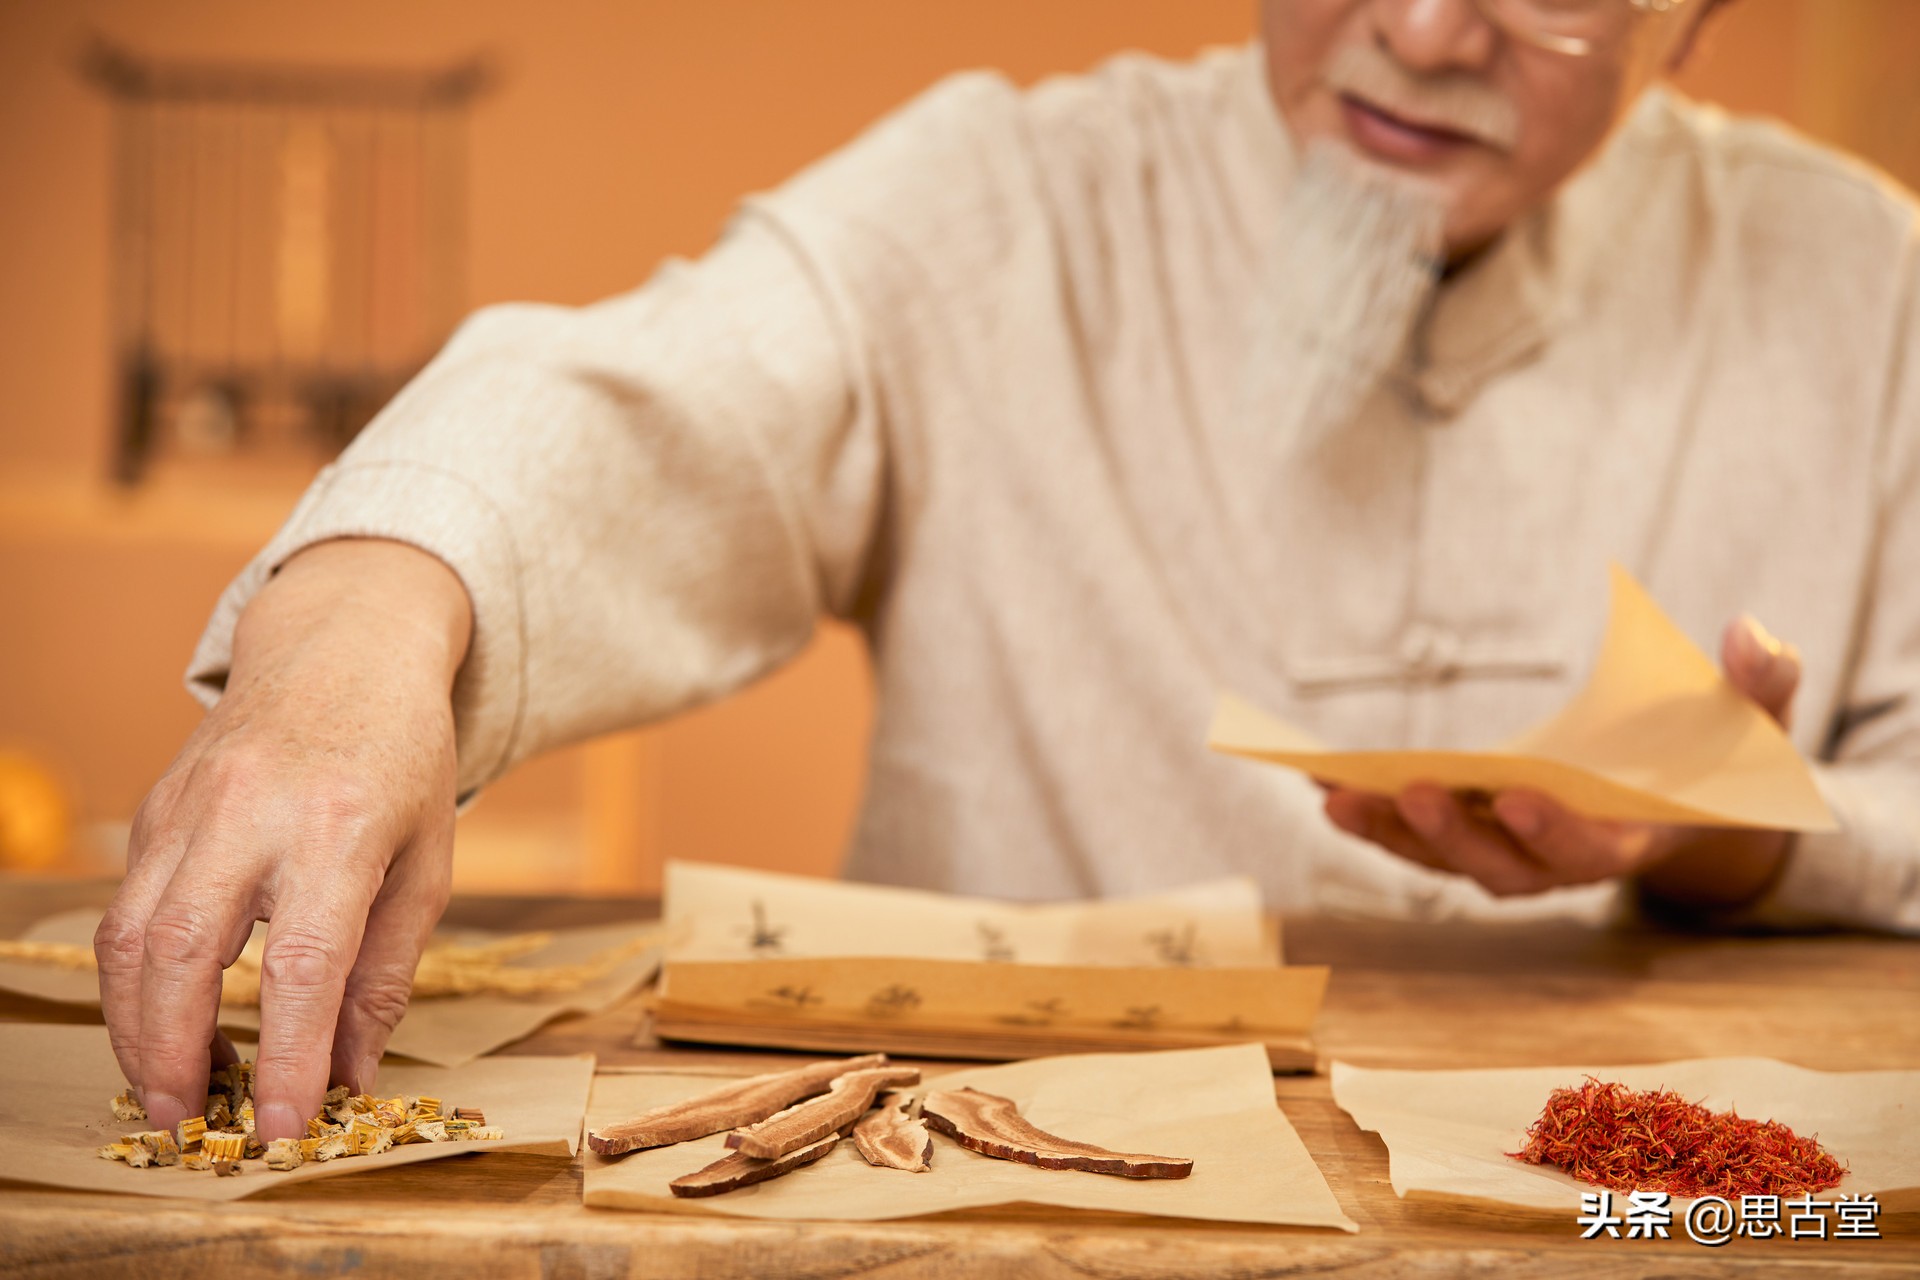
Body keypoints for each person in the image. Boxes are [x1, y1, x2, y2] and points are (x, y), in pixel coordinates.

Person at [98, 0, 1919, 1144]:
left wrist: (1729, 839)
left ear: (1697, 23)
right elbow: (650, 398)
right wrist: (358, 627)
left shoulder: (1865, 281)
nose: (1429, 27)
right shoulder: (1009, 197)